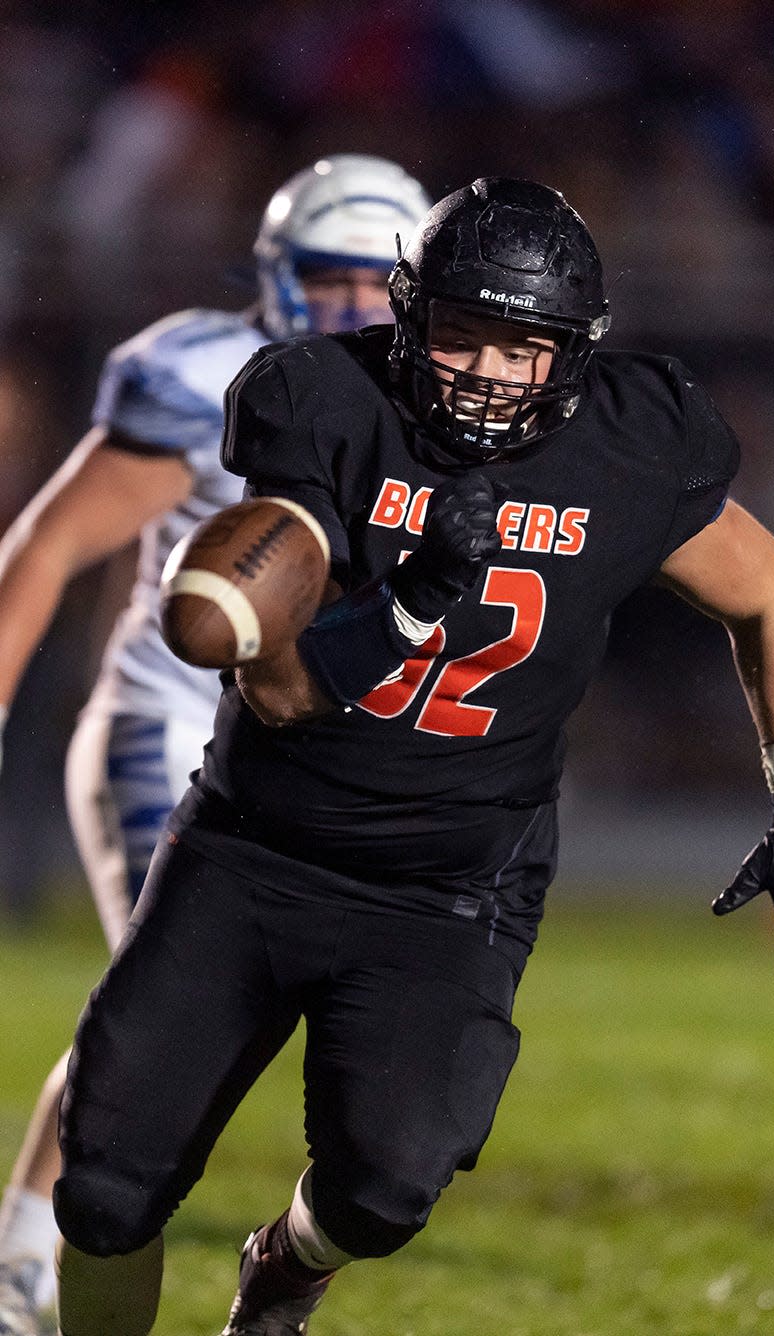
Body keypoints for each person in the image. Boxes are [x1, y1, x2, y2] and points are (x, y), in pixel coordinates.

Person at [50, 177, 774, 1336]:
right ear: (408, 314)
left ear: (573, 355)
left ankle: (284, 1264)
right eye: (463, 334)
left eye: (521, 346)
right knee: (105, 1186)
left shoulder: (634, 442)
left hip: (450, 887)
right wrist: (412, 601)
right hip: (255, 850)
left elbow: (769, 594)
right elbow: (275, 688)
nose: (485, 369)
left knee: (382, 1194)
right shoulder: (327, 400)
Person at [0, 153, 431, 1336]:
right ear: (279, 275)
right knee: (161, 1003)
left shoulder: (437, 397)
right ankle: (26, 1257)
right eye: (327, 279)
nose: (349, 309)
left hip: (306, 750)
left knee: (186, 1018)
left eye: (370, 283)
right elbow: (45, 550)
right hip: (170, 720)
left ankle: (29, 1244)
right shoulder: (198, 371)